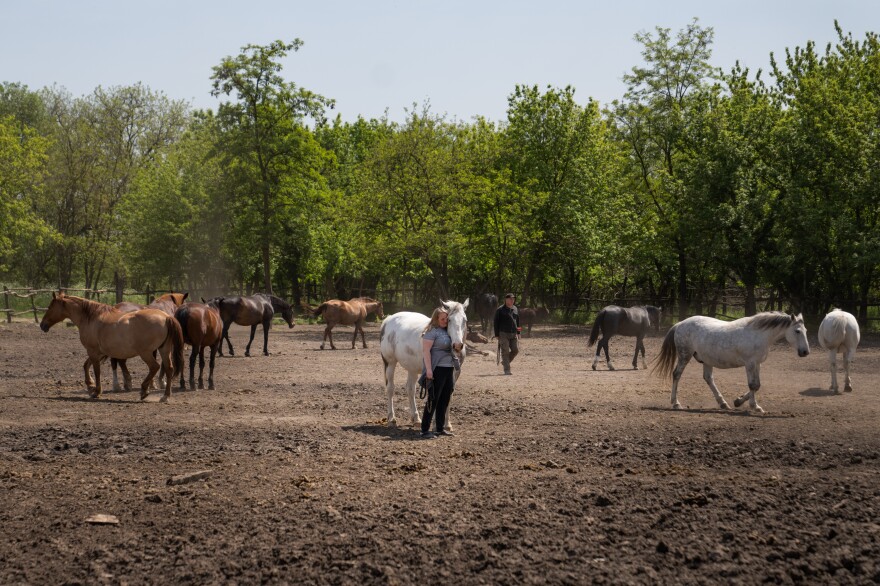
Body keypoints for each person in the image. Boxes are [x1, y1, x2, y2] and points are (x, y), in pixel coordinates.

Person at [420, 307, 458, 439]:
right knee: (433, 399)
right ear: (436, 319)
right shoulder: (431, 332)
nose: (445, 321)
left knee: (445, 398)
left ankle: (439, 428)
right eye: (442, 318)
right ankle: (424, 429)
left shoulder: (448, 331)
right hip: (437, 368)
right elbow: (426, 352)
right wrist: (429, 370)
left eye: (446, 318)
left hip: (449, 368)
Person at [494, 293, 520, 375]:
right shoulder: (500, 310)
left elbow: (518, 321)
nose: (512, 300)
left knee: (515, 350)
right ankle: (507, 370)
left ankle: (505, 362)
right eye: (511, 299)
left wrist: (519, 332)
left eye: (513, 299)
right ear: (506, 300)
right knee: (505, 352)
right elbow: (496, 322)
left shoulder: (515, 309)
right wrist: (496, 334)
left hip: (513, 334)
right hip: (503, 333)